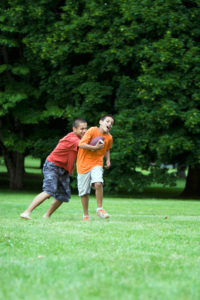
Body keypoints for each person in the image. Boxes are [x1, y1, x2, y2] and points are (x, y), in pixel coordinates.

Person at [20, 119, 87, 220]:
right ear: (74, 129)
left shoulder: (79, 138)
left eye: (86, 128)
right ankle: (26, 212)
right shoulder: (72, 138)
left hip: (63, 169)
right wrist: (96, 145)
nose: (84, 131)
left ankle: (46, 216)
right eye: (81, 129)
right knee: (49, 191)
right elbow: (83, 145)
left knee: (63, 195)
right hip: (53, 165)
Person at [77, 115, 114, 221]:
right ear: (100, 122)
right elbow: (81, 144)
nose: (110, 124)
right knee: (84, 192)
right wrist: (95, 148)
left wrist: (108, 160)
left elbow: (107, 149)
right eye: (107, 121)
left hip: (97, 163)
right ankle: (86, 215)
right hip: (83, 164)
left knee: (98, 183)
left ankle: (99, 209)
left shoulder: (109, 137)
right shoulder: (92, 130)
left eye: (111, 123)